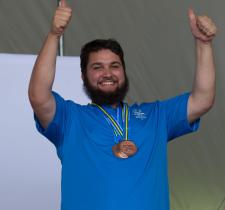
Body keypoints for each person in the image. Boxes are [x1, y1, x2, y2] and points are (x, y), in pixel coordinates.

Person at [28, 0, 217, 209]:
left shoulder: (156, 115)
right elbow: (38, 96)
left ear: (124, 72)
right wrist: (54, 35)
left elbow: (202, 99)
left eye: (114, 66)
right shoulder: (70, 119)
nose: (107, 73)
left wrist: (204, 44)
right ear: (83, 76)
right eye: (97, 67)